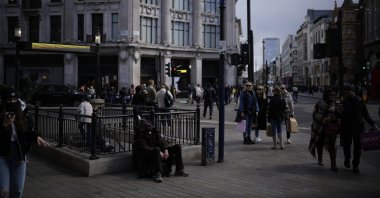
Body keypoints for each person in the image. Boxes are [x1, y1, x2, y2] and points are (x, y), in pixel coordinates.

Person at [0, 89, 48, 198]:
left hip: (19, 153)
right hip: (2, 154)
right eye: (9, 100)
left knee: (17, 189)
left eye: (14, 99)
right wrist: (3, 125)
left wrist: (36, 137)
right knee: (3, 189)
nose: (12, 102)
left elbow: (29, 128)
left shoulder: (23, 110)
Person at [340, 85, 378, 173]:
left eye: (348, 91)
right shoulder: (341, 101)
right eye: (345, 92)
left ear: (353, 92)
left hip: (358, 127)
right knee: (346, 146)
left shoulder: (360, 101)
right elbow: (337, 114)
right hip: (346, 127)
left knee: (358, 148)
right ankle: (347, 159)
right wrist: (338, 111)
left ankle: (355, 165)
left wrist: (373, 124)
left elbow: (366, 115)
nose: (347, 93)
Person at [308, 88, 339, 172]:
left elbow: (337, 115)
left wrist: (333, 118)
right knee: (319, 144)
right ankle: (320, 159)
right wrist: (323, 119)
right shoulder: (319, 103)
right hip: (319, 128)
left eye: (333, 95)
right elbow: (314, 114)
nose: (332, 96)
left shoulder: (335, 104)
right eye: (330, 95)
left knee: (332, 147)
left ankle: (333, 165)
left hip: (330, 129)